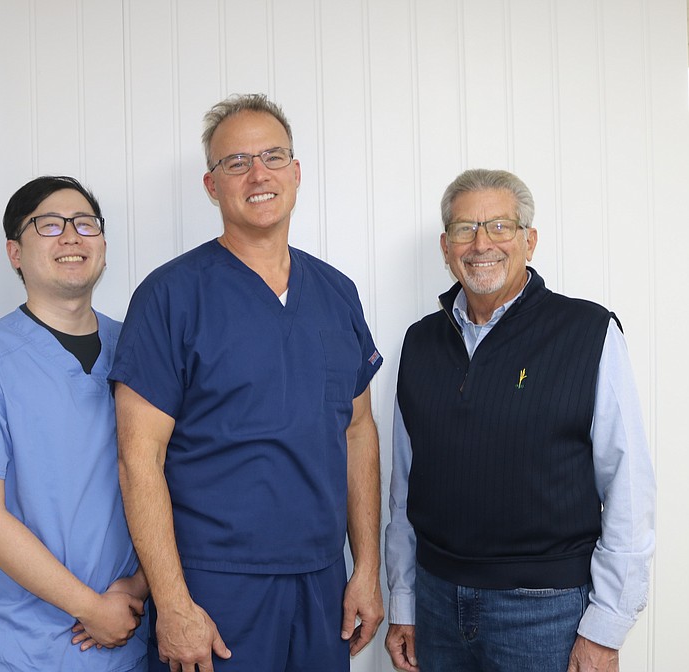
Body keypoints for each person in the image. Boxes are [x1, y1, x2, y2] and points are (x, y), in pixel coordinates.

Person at [110, 93, 384, 671]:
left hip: (322, 579)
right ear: (212, 186)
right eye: (236, 162)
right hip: (215, 586)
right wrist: (174, 603)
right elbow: (139, 458)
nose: (258, 174)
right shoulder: (170, 297)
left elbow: (358, 431)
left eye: (273, 156)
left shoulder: (336, 293)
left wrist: (366, 567)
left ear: (297, 172)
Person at [384, 169, 655, 672]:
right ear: (446, 247)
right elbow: (405, 487)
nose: (481, 243)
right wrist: (404, 602)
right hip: (437, 605)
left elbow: (630, 487)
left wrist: (606, 627)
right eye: (465, 229)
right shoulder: (419, 343)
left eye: (500, 227)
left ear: (529, 240)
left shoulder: (588, 332)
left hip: (548, 613)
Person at [0, 176, 149, 671]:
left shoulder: (138, 351)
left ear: (103, 246)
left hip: (131, 634)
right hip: (24, 647)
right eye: (49, 225)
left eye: (85, 224)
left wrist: (137, 589)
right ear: (14, 252)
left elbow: (171, 481)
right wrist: (91, 609)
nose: (71, 236)